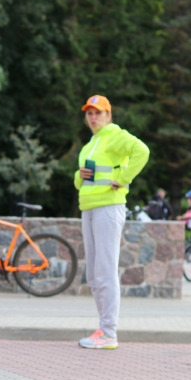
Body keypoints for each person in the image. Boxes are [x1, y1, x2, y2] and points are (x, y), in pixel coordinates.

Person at [75, 95, 149, 350]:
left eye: (98, 112)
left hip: (108, 207)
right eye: (89, 113)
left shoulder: (115, 135)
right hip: (90, 207)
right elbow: (82, 180)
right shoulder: (92, 143)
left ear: (108, 115)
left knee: (105, 271)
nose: (93, 117)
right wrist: (78, 175)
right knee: (95, 274)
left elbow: (142, 151)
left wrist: (124, 178)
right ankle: (103, 329)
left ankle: (109, 333)